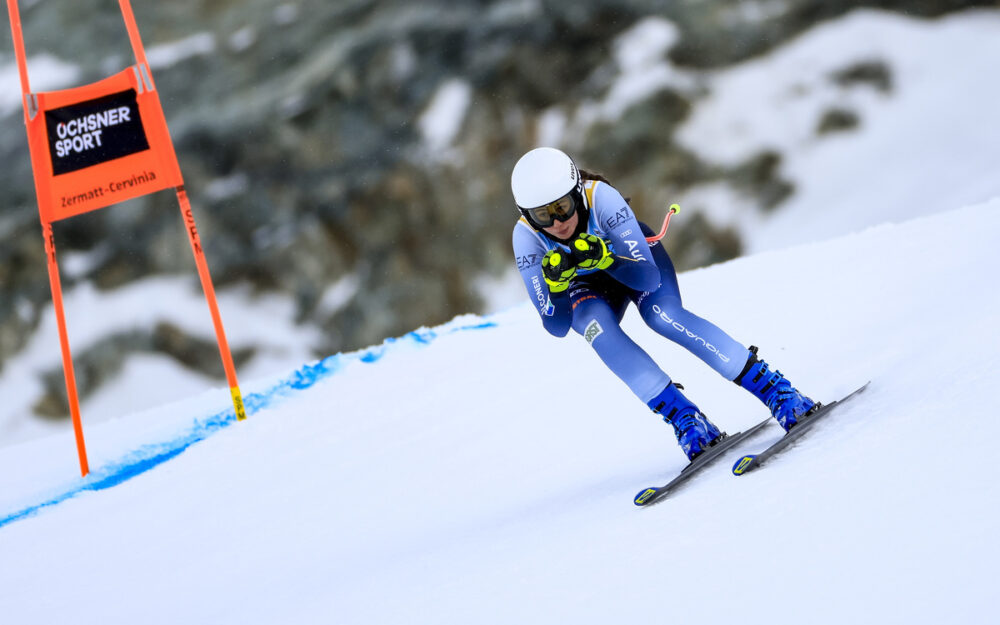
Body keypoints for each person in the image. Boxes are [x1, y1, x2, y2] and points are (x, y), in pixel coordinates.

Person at [510, 147, 816, 461]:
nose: (558, 222)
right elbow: (557, 326)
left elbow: (646, 279)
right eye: (543, 215)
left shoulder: (601, 199)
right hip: (586, 288)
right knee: (595, 330)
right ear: (527, 215)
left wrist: (608, 259)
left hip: (633, 265)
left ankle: (777, 390)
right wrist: (558, 289)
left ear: (577, 194)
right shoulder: (526, 238)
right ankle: (687, 420)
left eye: (563, 207)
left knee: (662, 315)